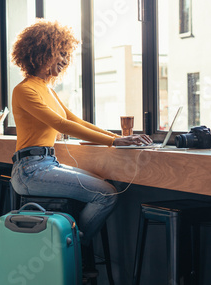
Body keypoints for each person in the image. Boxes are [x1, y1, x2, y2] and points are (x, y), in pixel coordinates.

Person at [9, 19, 152, 247]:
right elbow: (62, 125)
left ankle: (67, 249)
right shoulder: (24, 90)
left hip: (48, 164)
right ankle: (72, 250)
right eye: (61, 53)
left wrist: (117, 138)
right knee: (105, 194)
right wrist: (115, 141)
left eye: (67, 54)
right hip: (29, 171)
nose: (65, 60)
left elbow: (74, 120)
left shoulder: (48, 90)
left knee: (104, 185)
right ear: (42, 52)